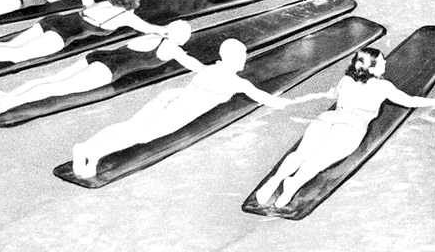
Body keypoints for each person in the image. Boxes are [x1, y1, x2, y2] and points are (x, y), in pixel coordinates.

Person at [253, 48, 435, 208]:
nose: (385, 63)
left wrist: (299, 99)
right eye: (382, 61)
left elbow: (329, 95)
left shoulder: (346, 80)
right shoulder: (383, 86)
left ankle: (273, 181)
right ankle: (292, 185)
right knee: (319, 159)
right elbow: (410, 101)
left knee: (301, 152)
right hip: (351, 126)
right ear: (373, 68)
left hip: (328, 118)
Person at [72, 39, 298, 178]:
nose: (244, 59)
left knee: (130, 126)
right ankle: (93, 155)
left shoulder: (207, 69)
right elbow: (266, 99)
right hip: (178, 111)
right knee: (141, 135)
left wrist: (175, 51)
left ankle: (85, 146)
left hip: (168, 98)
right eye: (242, 55)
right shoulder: (237, 82)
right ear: (233, 57)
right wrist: (296, 101)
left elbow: (187, 61)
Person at [0, 0, 168, 81]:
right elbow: (151, 28)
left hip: (54, 22)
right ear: (129, 1)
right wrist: (167, 30)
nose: (139, 1)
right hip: (62, 35)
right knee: (15, 55)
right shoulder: (126, 16)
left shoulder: (105, 3)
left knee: (11, 47)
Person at [0, 20, 197, 118]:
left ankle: (7, 96)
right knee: (56, 88)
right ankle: (5, 104)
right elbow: (194, 65)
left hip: (100, 56)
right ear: (181, 38)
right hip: (107, 69)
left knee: (51, 80)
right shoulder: (171, 47)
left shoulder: (153, 34)